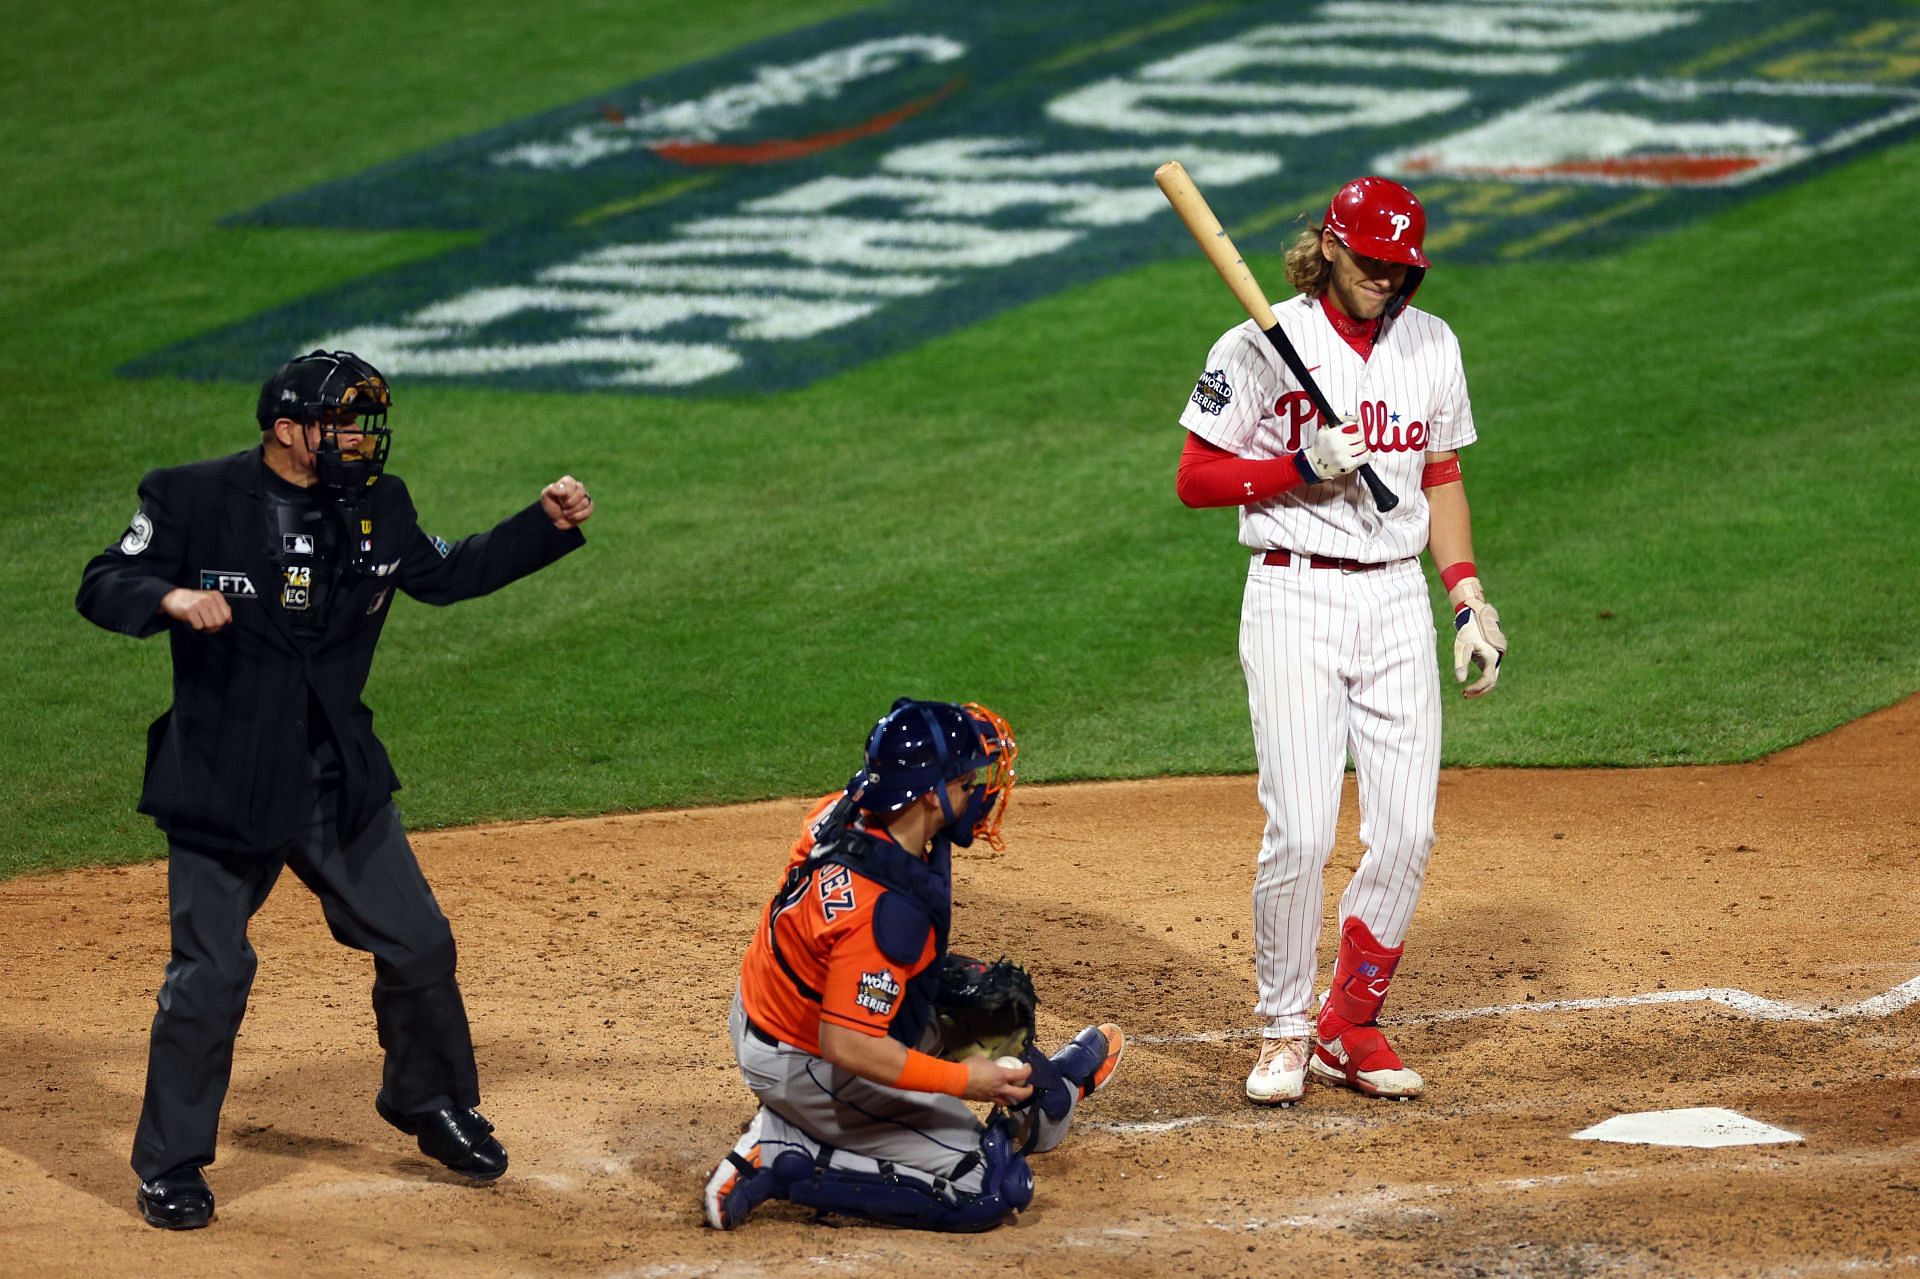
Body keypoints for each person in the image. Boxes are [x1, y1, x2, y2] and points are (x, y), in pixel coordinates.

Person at [76, 350, 595, 1229]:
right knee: (211, 972)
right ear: (287, 430)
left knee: (420, 942)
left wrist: (541, 525)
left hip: (334, 777)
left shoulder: (377, 509)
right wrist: (167, 596)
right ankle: (169, 1163)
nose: (361, 439)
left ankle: (427, 1100)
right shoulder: (190, 498)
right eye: (343, 424)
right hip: (225, 782)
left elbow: (452, 571)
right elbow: (102, 580)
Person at [1172, 177, 1506, 1107]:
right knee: (1305, 828)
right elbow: (1194, 477)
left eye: (1405, 269)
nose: (1389, 282)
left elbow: (1440, 475)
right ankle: (1283, 1027)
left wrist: (1467, 595)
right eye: (1372, 265)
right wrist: (1298, 468)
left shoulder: (1432, 343)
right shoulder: (1255, 344)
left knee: (1407, 827)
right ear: (1329, 246)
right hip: (1295, 595)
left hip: (1398, 599)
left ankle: (1347, 1024)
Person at [703, 698, 1124, 1232]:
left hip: (782, 1008)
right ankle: (787, 1151)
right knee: (988, 1187)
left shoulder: (850, 811)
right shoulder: (884, 912)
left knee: (979, 999)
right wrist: (962, 1080)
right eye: (966, 782)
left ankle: (1045, 1104)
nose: (979, 791)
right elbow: (848, 1044)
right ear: (929, 793)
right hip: (806, 1058)